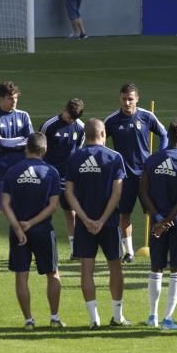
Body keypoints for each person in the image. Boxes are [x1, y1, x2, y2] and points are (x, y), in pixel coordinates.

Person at [65, 119, 128, 329]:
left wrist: (84, 218)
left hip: (84, 224)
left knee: (86, 270)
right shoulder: (114, 157)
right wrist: (101, 220)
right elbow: (117, 192)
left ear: (86, 134)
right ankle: (117, 316)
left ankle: (94, 319)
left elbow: (69, 193)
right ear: (103, 134)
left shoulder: (75, 158)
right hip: (108, 223)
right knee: (115, 267)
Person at [1, 132, 64, 329]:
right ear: (44, 150)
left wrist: (18, 226)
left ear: (26, 148)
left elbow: (4, 202)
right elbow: (53, 205)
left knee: (21, 274)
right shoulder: (51, 172)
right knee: (52, 273)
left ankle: (28, 320)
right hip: (43, 229)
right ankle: (54, 318)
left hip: (18, 231)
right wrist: (32, 223)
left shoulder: (12, 171)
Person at [140, 120, 177, 331]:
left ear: (170, 137)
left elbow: (143, 192)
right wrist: (169, 221)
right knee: (176, 269)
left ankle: (152, 316)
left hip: (156, 222)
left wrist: (159, 219)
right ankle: (168, 318)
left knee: (156, 267)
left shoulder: (152, 160)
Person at [104, 83, 168, 263]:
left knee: (154, 212)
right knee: (124, 214)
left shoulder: (147, 116)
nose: (126, 103)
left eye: (130, 99)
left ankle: (158, 248)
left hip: (146, 175)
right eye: (124, 99)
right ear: (120, 98)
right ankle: (129, 252)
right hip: (124, 176)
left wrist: (159, 156)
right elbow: (99, 140)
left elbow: (164, 134)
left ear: (137, 99)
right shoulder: (112, 120)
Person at [40, 99, 86, 259]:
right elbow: (40, 149)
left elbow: (79, 150)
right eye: (69, 116)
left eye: (73, 118)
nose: (70, 120)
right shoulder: (49, 125)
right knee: (44, 211)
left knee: (71, 213)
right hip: (49, 177)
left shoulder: (80, 127)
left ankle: (75, 250)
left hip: (68, 179)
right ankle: (41, 248)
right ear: (64, 109)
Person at [0, 81, 32, 218]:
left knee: (22, 208)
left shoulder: (23, 115)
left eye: (16, 98)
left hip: (21, 169)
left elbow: (31, 139)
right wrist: (21, 140)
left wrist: (11, 143)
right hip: (1, 170)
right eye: (10, 98)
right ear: (1, 98)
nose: (14, 101)